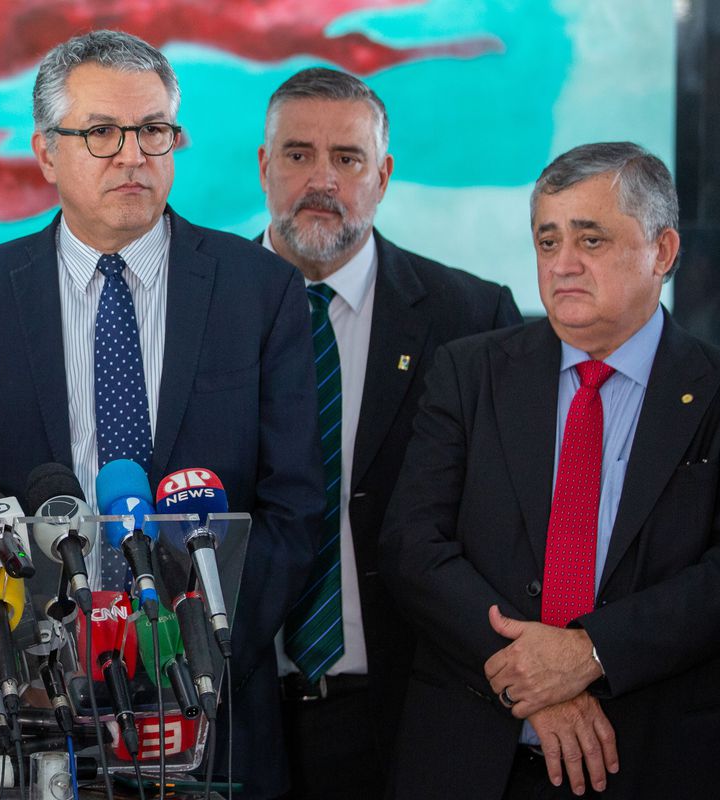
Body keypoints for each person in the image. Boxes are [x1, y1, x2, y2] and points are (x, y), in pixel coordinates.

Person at [0, 30, 323, 798]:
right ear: (45, 153)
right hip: (33, 710)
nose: (133, 155)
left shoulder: (259, 291)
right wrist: (34, 668)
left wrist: (194, 654)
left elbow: (293, 507)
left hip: (213, 707)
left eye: (153, 130)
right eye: (102, 132)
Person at [380, 142, 720, 799]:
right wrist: (534, 678)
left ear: (662, 251)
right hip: (476, 755)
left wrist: (588, 653)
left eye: (590, 240)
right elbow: (413, 545)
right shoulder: (468, 373)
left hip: (660, 757)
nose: (562, 264)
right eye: (548, 241)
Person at [254, 68, 521, 797]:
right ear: (265, 165)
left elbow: (509, 528)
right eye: (299, 154)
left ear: (384, 176)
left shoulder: (473, 319)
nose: (322, 180)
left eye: (347, 158)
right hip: (238, 717)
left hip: (411, 715)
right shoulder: (198, 310)